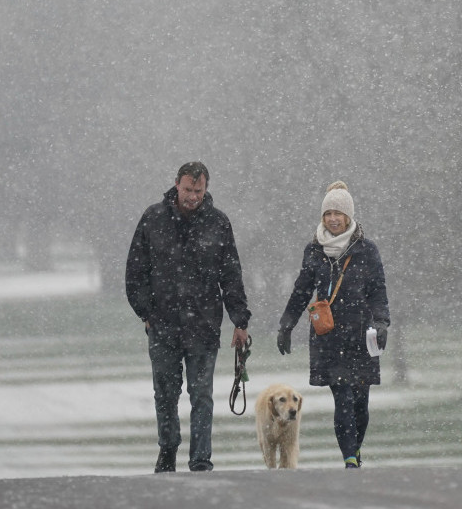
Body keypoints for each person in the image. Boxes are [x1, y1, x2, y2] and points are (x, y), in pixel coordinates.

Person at [126, 161, 251, 473]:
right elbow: (135, 271)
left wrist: (240, 320)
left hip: (204, 325)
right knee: (165, 394)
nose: (193, 196)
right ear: (176, 185)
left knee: (202, 395)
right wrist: (145, 311)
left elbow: (231, 275)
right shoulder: (153, 219)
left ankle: (200, 459)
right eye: (187, 189)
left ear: (206, 188)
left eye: (199, 190)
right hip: (163, 323)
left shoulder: (219, 223)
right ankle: (167, 450)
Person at [277, 181, 390, 468]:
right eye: (327, 213)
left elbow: (377, 290)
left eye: (338, 213)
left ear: (349, 216)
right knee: (342, 399)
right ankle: (350, 459)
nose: (333, 218)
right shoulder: (314, 251)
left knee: (360, 404)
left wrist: (382, 322)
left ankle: (355, 448)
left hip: (362, 337)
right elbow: (302, 290)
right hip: (329, 337)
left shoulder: (367, 250)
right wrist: (286, 325)